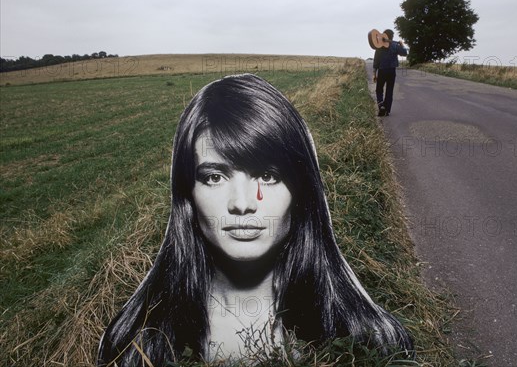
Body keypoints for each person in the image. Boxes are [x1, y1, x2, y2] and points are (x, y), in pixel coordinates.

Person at [97, 73, 413, 366]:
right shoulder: (134, 345)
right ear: (187, 193)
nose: (243, 204)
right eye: (214, 177)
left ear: (302, 190)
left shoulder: (372, 339)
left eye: (266, 175)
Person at [373, 29, 408, 116]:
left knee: (379, 89)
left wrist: (374, 74)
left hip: (382, 70)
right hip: (392, 70)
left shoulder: (379, 46)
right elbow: (405, 53)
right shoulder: (395, 45)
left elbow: (376, 61)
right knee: (389, 90)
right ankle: (387, 110)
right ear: (392, 37)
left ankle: (381, 105)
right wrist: (402, 45)